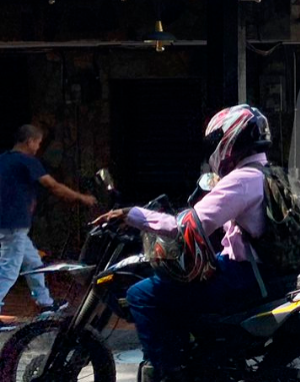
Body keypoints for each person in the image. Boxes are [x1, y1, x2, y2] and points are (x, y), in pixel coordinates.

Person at [93, 105, 274, 381]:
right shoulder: (267, 173)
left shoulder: (241, 180)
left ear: (232, 138)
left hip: (243, 276)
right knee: (181, 287)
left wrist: (132, 215)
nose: (213, 148)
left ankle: (168, 373)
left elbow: (183, 228)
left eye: (216, 141)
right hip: (259, 270)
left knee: (141, 294)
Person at [0, 125, 96, 331]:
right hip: (13, 224)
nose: (37, 148)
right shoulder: (26, 161)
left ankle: (45, 303)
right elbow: (52, 185)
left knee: (34, 262)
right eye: (38, 143)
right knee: (8, 270)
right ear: (29, 141)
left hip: (9, 223)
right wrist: (81, 198)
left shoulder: (4, 159)